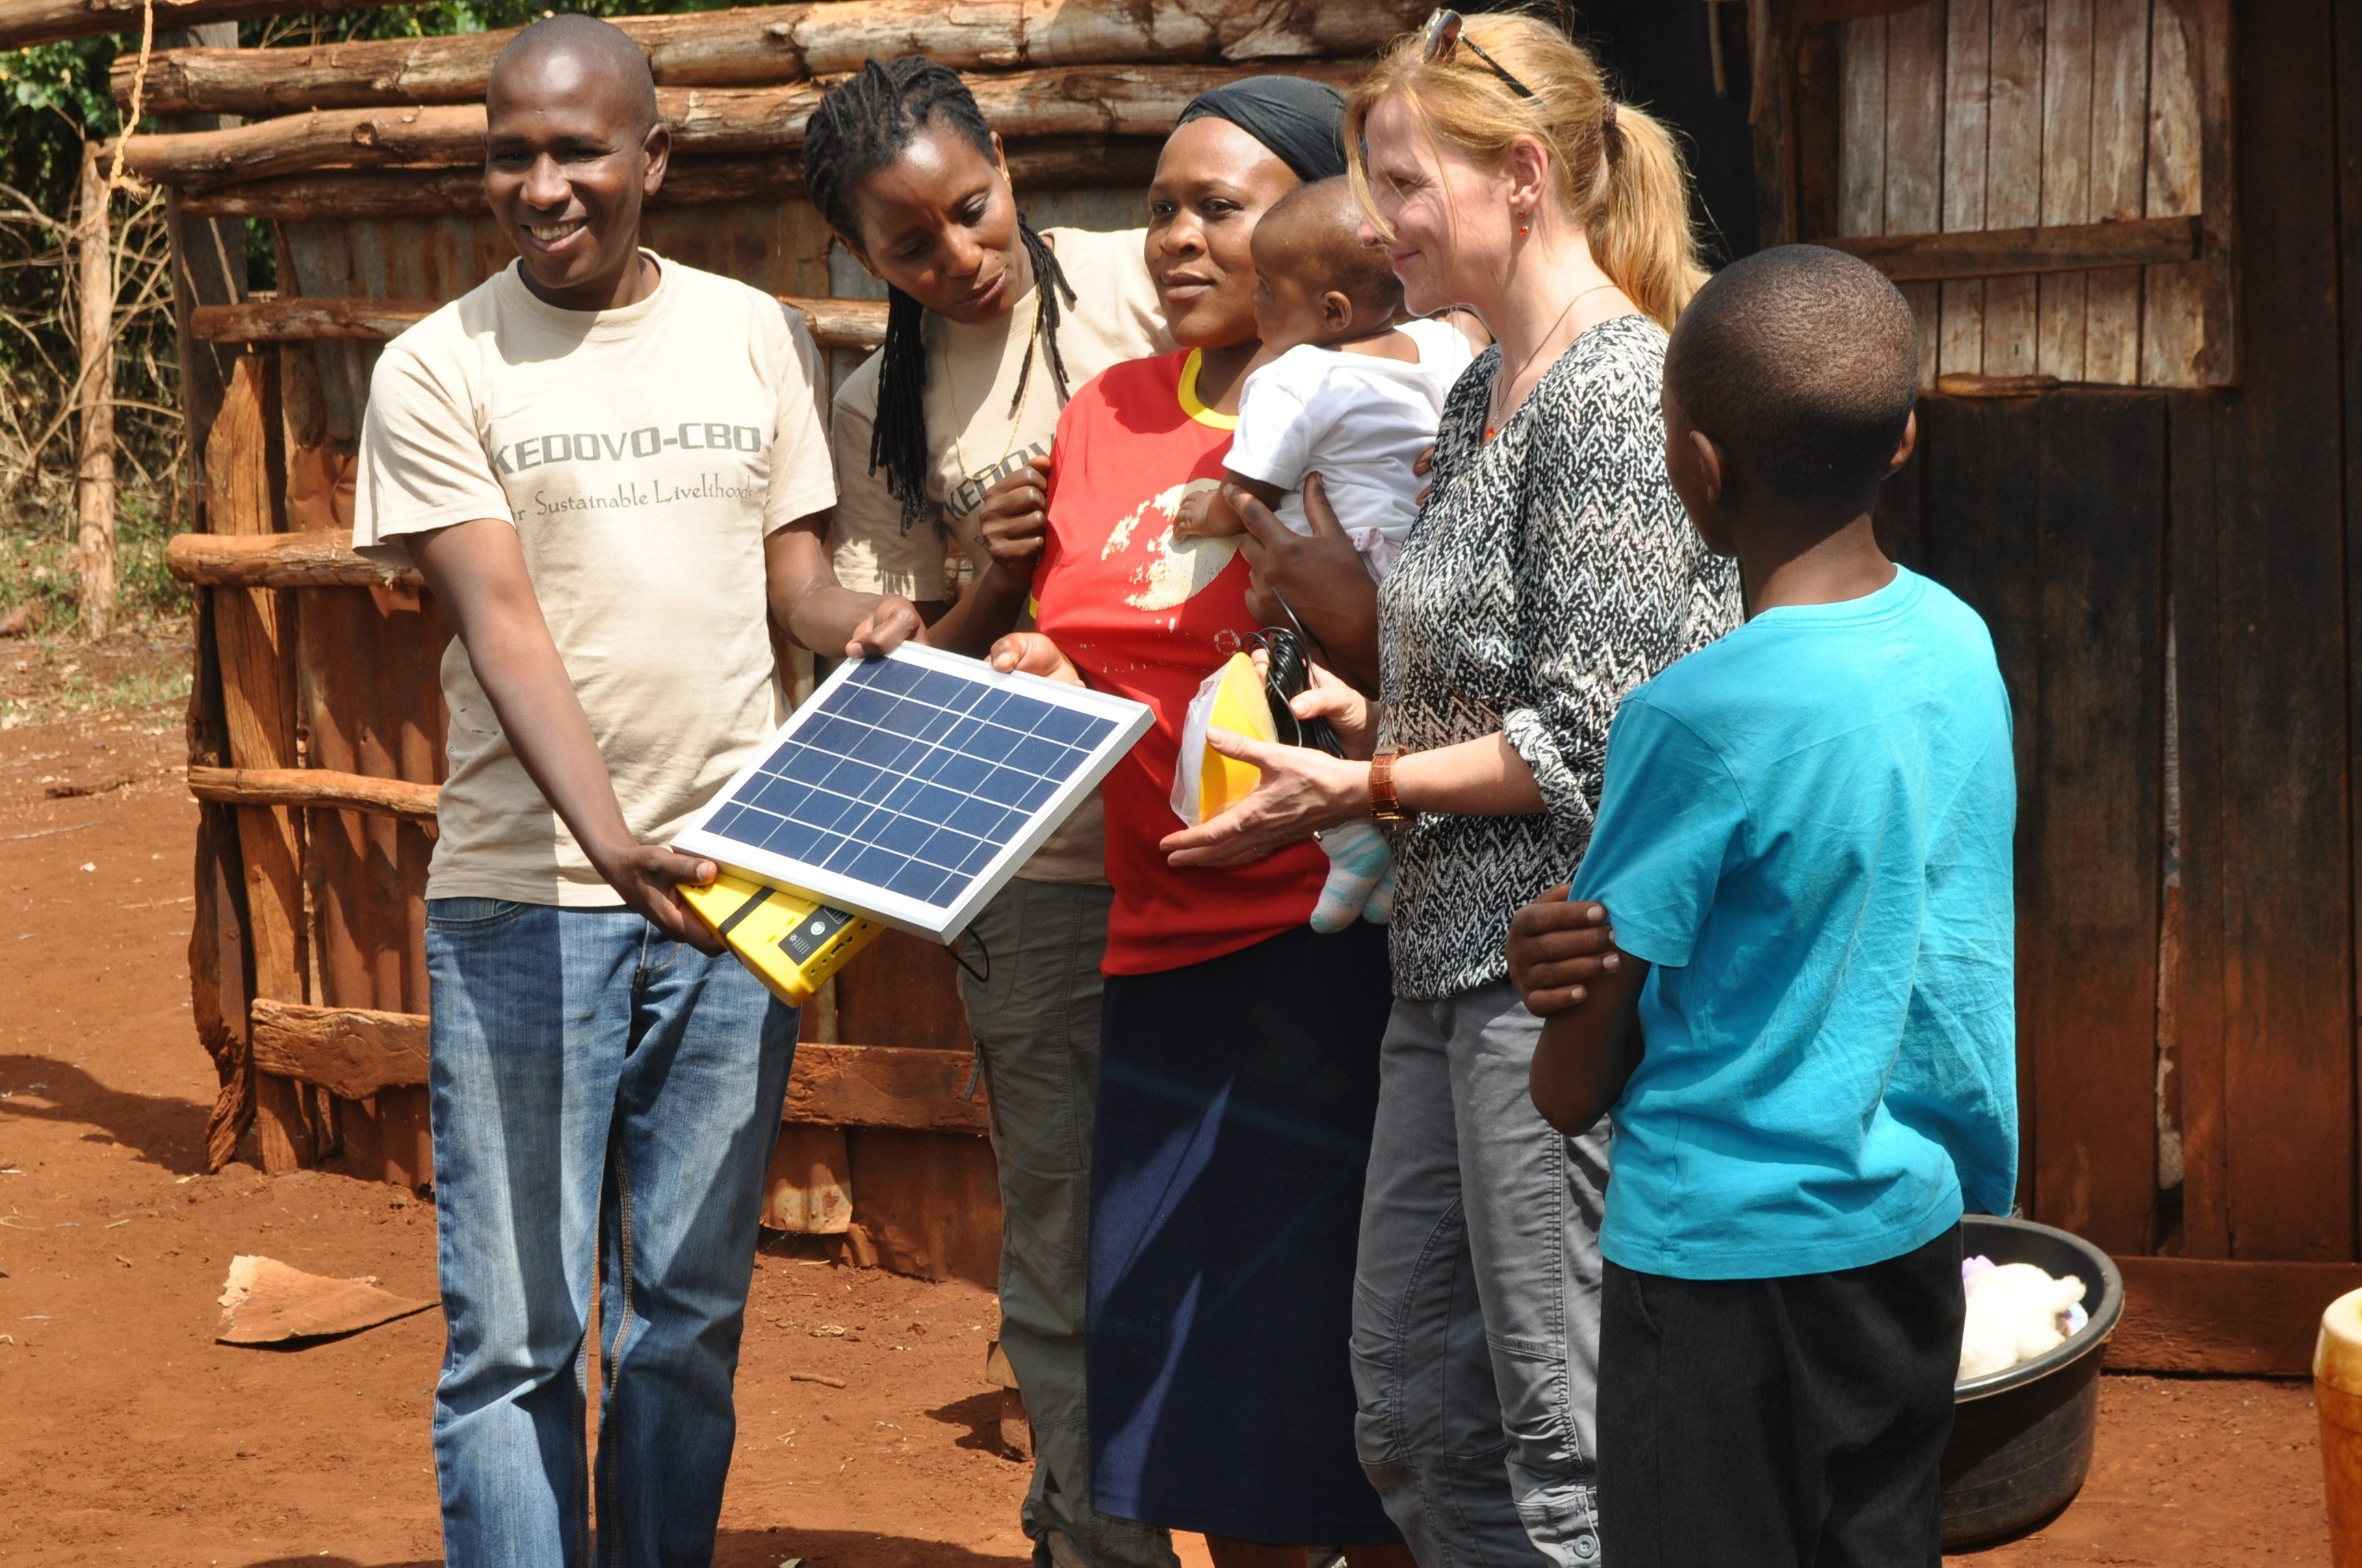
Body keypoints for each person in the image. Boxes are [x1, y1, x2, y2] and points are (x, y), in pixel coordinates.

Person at [1158, 14, 1741, 1563]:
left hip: (1555, 972)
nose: (1378, 222)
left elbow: (1604, 732)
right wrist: (1384, 712)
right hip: (1446, 962)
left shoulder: (1617, 394)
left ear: (1524, 178)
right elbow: (1503, 663)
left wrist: (1367, 775)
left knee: (1564, 1438)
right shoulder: (1485, 388)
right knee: (1413, 1407)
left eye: (1405, 184)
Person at [349, 18, 918, 1565]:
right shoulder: (434, 367)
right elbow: (503, 620)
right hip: (528, 903)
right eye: (510, 154)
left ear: (652, 157)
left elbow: (789, 578)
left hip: (735, 894)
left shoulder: (752, 335)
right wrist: (609, 843)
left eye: (577, 150)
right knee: (517, 1337)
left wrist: (853, 622)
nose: (542, 186)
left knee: (682, 1320)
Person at [1509, 245, 2019, 1567]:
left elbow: (1571, 1085)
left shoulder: (1690, 717)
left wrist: (1552, 980)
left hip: (1715, 1266)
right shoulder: (1958, 642)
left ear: (1695, 466)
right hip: (1903, 1233)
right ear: (1902, 437)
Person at [989, 75, 1415, 1568]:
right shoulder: (1101, 415)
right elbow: (1096, 630)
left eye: (1214, 207)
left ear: (1311, 226)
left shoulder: (1374, 404)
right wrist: (1043, 657)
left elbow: (1412, 652)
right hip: (1154, 948)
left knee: (1347, 1384)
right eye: (1161, 206)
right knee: (1214, 1402)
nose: (1173, 237)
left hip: (1327, 950)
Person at [802, 55, 1176, 1568]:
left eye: (973, 208)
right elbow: (905, 678)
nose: (959, 257)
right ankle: (1092, 1538)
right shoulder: (871, 403)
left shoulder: (1148, 283)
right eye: (909, 246)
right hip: (1042, 862)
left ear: (1008, 161)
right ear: (857, 257)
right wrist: (985, 587)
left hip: (1230, 831)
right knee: (1068, 1228)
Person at [1172, 174, 1472, 934]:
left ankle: (1349, 841)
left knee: (1292, 694)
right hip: (1425, 566)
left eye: (1268, 290)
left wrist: (1202, 512)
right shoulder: (1441, 341)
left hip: (1337, 567)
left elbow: (1247, 486)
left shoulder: (1293, 377)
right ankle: (1384, 850)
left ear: (1331, 312)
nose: (1256, 303)